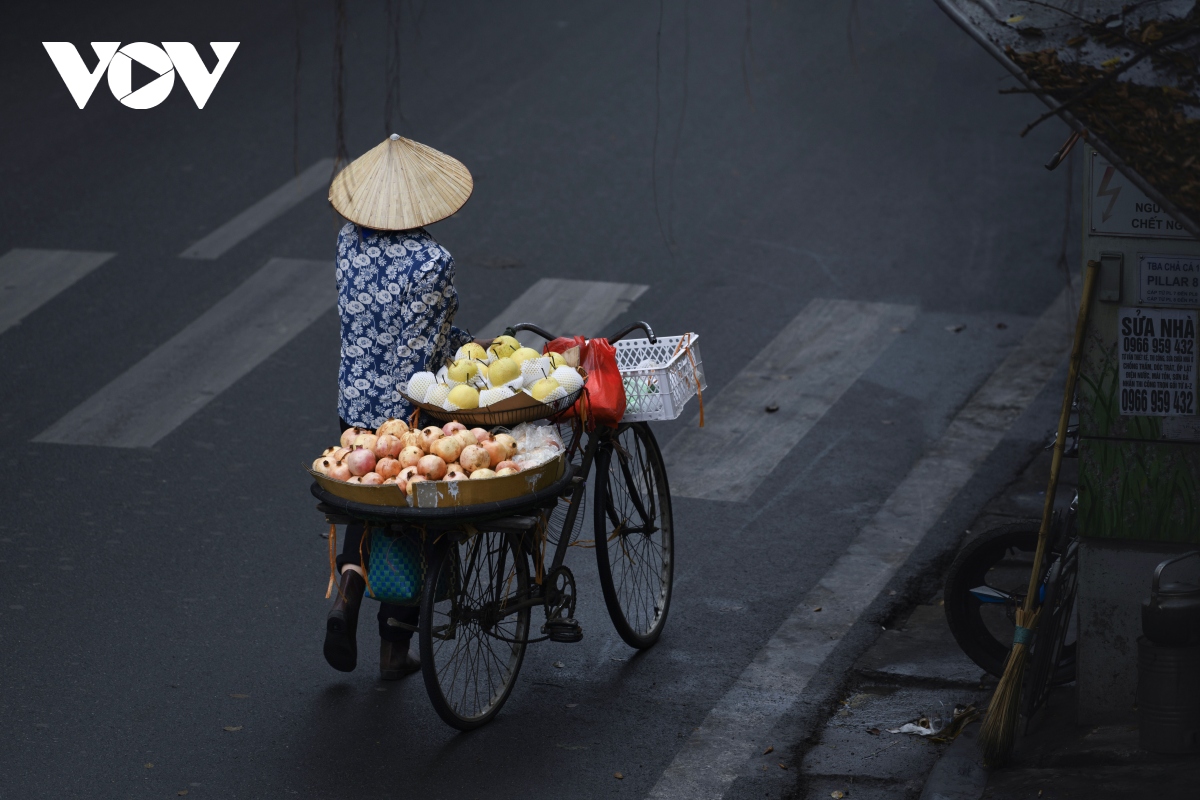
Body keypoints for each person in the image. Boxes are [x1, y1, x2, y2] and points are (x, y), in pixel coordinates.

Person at [321, 134, 474, 679]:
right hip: (409, 411)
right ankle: (394, 648)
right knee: (413, 522)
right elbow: (437, 338)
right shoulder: (435, 260)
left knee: (365, 501)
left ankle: (346, 597)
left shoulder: (346, 241)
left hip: (355, 403)